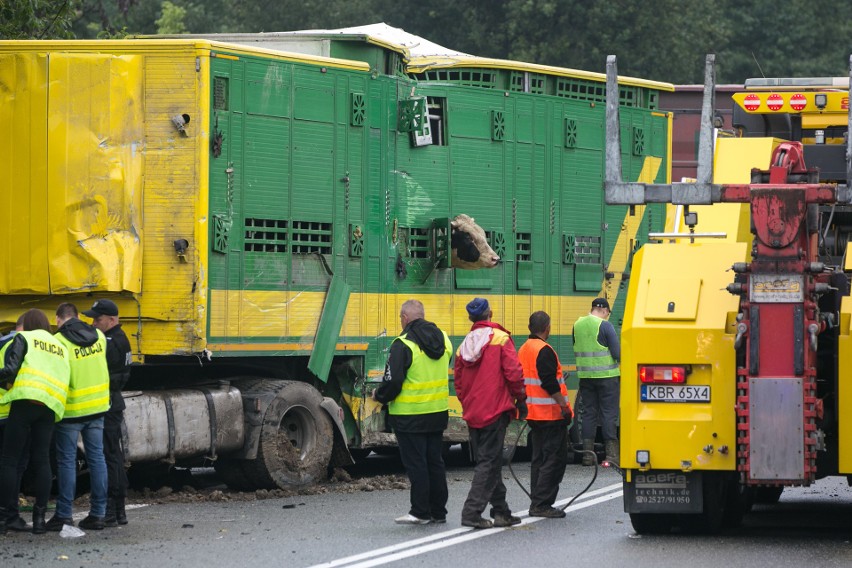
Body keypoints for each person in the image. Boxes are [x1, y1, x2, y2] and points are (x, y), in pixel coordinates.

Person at [373, 299, 452, 525]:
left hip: (409, 416)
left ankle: (420, 512)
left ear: (405, 318)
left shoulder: (403, 344)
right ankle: (438, 512)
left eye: (400, 318)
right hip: (437, 412)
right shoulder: (444, 339)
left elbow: (393, 380)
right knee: (435, 462)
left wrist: (380, 396)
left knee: (416, 463)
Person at [455, 298, 526, 529]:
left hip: (473, 411)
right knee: (488, 463)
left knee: (491, 462)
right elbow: (513, 373)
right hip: (495, 410)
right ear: (490, 314)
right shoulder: (500, 339)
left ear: (471, 319)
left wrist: (468, 403)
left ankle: (501, 512)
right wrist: (521, 399)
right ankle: (471, 512)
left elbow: (458, 382)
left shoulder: (464, 344)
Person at [0, 309, 71, 535]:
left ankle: (4, 518)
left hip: (25, 403)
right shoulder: (59, 346)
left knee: (9, 461)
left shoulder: (25, 338)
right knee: (42, 461)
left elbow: (11, 369)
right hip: (50, 406)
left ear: (27, 324)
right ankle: (39, 520)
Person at [47, 303, 111, 531]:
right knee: (97, 459)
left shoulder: (59, 342)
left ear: (58, 319)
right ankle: (98, 514)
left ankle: (64, 515)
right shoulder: (100, 337)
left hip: (71, 411)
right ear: (76, 316)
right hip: (98, 408)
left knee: (67, 463)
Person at [518, 311, 573, 519]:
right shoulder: (545, 350)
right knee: (554, 460)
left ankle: (537, 501)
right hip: (550, 414)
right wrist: (564, 407)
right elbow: (549, 382)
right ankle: (542, 504)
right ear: (547, 328)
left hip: (533, 414)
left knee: (539, 459)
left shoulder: (524, 348)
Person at [84, 299, 132, 526]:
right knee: (114, 455)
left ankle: (112, 509)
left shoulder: (111, 342)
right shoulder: (120, 339)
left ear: (111, 320)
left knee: (108, 456)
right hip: (114, 403)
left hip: (107, 404)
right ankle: (119, 510)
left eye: (98, 319)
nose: (93, 323)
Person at [572, 297, 621, 465]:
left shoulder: (577, 325)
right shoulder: (605, 325)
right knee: (608, 414)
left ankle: (587, 456)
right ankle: (612, 456)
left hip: (586, 378)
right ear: (605, 310)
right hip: (607, 378)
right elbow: (617, 353)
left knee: (588, 414)